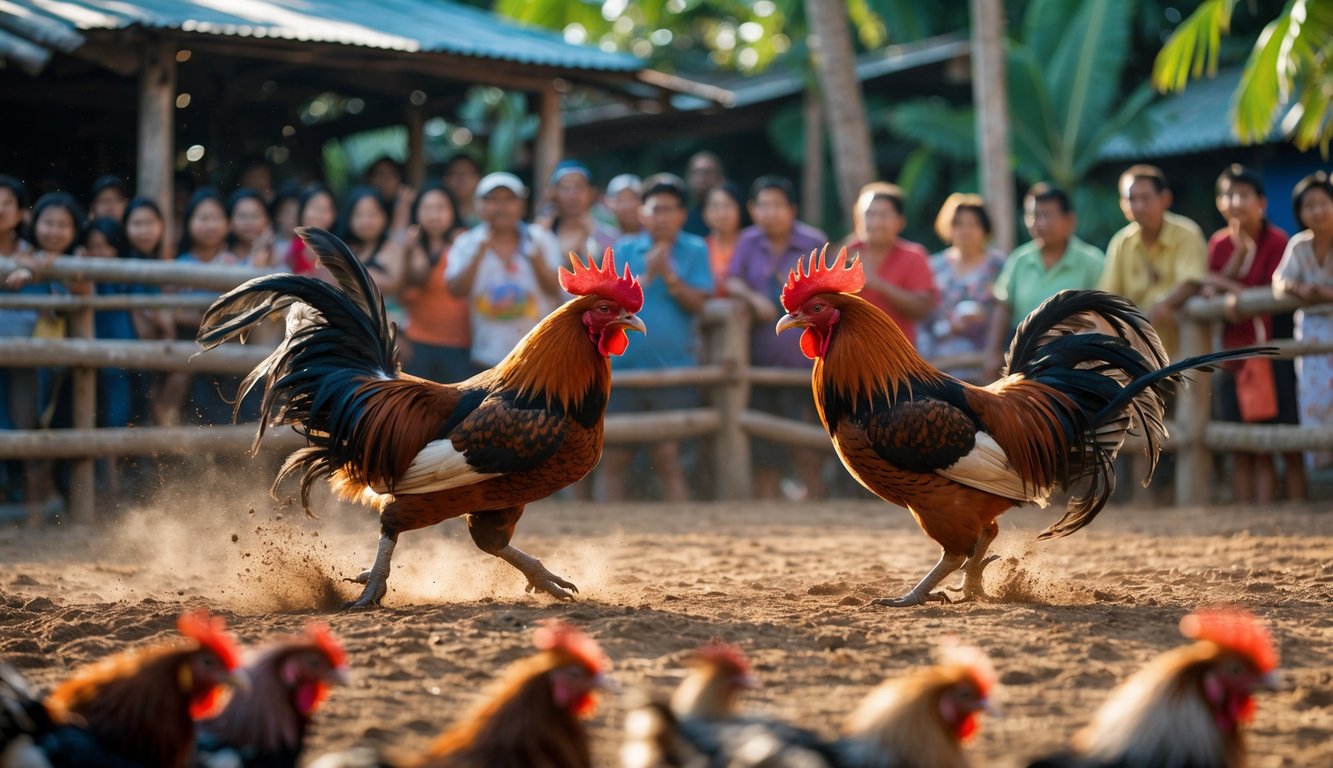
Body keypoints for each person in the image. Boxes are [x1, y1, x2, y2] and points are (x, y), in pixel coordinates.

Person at [597, 178, 714, 502]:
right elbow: (608, 305)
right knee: (614, 459)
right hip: (623, 370)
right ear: (643, 213)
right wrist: (648, 276)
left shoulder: (695, 249)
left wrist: (671, 278)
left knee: (669, 456)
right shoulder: (622, 250)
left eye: (669, 209)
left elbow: (701, 304)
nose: (662, 216)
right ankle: (604, 535)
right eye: (655, 209)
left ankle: (683, 534)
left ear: (681, 214)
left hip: (675, 369)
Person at [1202, 165, 1304, 503]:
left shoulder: (1278, 241)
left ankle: (1295, 510)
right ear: (1219, 203)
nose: (1236, 202)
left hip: (1273, 354)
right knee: (1243, 447)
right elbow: (1208, 290)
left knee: (1286, 441)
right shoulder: (1218, 244)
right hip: (1233, 357)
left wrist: (1230, 290)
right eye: (1229, 194)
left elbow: (1274, 291)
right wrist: (1234, 272)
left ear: (1261, 202)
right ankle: (1248, 516)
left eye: (1244, 195)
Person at [727, 175, 828, 500]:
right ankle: (766, 507)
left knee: (807, 443)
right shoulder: (747, 241)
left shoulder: (813, 241)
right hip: (761, 360)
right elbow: (731, 280)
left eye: (777, 204)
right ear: (753, 209)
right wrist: (752, 298)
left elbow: (828, 293)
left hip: (806, 363)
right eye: (763, 205)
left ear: (792, 208)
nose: (770, 212)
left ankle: (816, 501)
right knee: (765, 447)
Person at [4, 191, 84, 525]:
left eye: (63, 225)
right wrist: (32, 268)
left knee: (41, 424)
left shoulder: (79, 261)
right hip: (18, 358)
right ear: (33, 224)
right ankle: (29, 503)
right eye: (48, 223)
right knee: (20, 423)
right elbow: (21, 270)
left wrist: (62, 270)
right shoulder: (27, 257)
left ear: (74, 229)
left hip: (50, 363)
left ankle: (40, 504)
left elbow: (83, 292)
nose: (54, 231)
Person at [984, 184, 1105, 379]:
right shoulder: (1020, 259)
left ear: (1069, 220)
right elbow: (1003, 308)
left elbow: (1103, 317)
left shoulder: (1092, 261)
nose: (1039, 222)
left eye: (1047, 215)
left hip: (1076, 356)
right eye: (1033, 215)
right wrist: (992, 351)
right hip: (1022, 353)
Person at [446, 172, 565, 370]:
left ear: (522, 205)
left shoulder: (541, 239)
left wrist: (535, 257)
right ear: (478, 205)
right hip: (486, 359)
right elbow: (455, 290)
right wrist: (478, 253)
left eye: (509, 199)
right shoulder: (466, 243)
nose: (501, 207)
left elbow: (558, 290)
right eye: (492, 199)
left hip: (537, 356)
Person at [1099, 165, 1208, 359]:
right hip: (1138, 354)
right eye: (1132, 199)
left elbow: (1191, 282)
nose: (1139, 206)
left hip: (1185, 350)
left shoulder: (1186, 233)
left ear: (1165, 199)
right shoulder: (1120, 242)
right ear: (1122, 204)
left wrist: (1162, 305)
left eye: (1145, 198)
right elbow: (1108, 296)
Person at [159, 188, 238, 427]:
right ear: (189, 222)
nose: (210, 225)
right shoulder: (179, 264)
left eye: (216, 218)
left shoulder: (233, 264)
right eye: (203, 218)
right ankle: (165, 429)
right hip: (188, 340)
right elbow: (169, 309)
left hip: (229, 342)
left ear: (227, 224)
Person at [1273, 171, 1333, 471]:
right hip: (1311, 337)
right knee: (1315, 399)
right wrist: (1298, 288)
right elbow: (1279, 280)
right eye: (1309, 205)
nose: (1318, 210)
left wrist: (1324, 293)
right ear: (1300, 212)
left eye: (1324, 202)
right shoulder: (1298, 245)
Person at [918, 193, 1006, 381]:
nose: (966, 230)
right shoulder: (933, 266)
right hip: (938, 361)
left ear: (985, 228)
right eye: (958, 224)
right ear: (947, 227)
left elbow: (1007, 309)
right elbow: (922, 315)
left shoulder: (1000, 265)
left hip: (987, 359)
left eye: (973, 224)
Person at [844, 182, 939, 347]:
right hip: (849, 353)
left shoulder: (914, 256)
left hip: (898, 357)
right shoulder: (843, 254)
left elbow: (922, 310)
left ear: (900, 222)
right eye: (869, 214)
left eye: (883, 215)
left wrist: (878, 284)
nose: (875, 222)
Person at [401, 184, 474, 383]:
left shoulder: (467, 243)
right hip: (416, 343)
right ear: (417, 212)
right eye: (427, 208)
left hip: (459, 343)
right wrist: (409, 251)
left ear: (453, 211)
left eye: (441, 207)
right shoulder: (408, 245)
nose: (434, 215)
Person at [540, 160, 618, 258]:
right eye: (566, 188)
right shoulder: (540, 235)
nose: (573, 195)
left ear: (591, 193)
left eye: (579, 187)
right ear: (553, 193)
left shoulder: (609, 235)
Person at [703, 182, 747, 295]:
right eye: (715, 206)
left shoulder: (751, 244)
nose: (722, 213)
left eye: (728, 206)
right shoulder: (700, 248)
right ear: (705, 213)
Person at [285, 185, 337, 276]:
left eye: (325, 209)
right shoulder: (287, 247)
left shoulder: (339, 249)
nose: (319, 215)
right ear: (302, 210)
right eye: (314, 207)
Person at [226, 188, 277, 267]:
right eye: (242, 216)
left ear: (268, 220)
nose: (248, 222)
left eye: (255, 216)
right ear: (229, 221)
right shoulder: (221, 255)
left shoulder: (279, 256)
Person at [684, 151, 724, 236]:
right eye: (695, 172)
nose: (700, 178)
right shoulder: (683, 218)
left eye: (706, 172)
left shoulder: (732, 216)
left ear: (720, 178)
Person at [443, 154, 484, 227]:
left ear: (479, 178)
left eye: (467, 173)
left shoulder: (486, 212)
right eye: (454, 173)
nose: (461, 179)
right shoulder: (439, 213)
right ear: (446, 180)